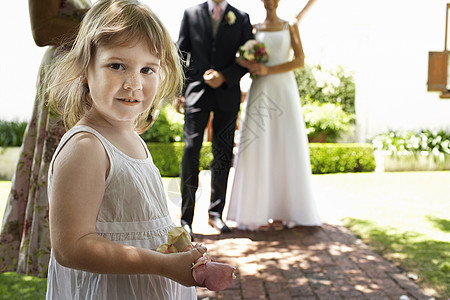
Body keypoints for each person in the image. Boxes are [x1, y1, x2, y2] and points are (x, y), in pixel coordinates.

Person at [44, 0, 207, 298]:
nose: (134, 83)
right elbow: (71, 247)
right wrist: (161, 265)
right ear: (84, 69)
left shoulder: (131, 137)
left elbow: (139, 222)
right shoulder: (86, 147)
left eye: (148, 69)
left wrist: (175, 249)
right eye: (117, 66)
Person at [0, 0, 91, 277]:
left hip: (89, 73)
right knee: (65, 159)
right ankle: (62, 250)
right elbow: (41, 30)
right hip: (65, 78)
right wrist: (107, 28)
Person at [227, 0, 322, 231]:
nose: (270, 2)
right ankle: (256, 212)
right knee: (258, 146)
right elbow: (238, 57)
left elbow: (299, 61)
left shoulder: (291, 25)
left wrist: (269, 69)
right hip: (260, 88)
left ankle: (284, 211)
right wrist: (248, 62)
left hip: (284, 91)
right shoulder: (254, 27)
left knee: (284, 145)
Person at [176, 0, 253, 236]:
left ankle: (215, 214)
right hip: (196, 94)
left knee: (222, 152)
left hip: (227, 94)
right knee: (191, 151)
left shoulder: (241, 17)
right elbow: (181, 53)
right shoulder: (191, 14)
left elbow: (250, 58)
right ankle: (186, 218)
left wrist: (225, 76)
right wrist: (180, 91)